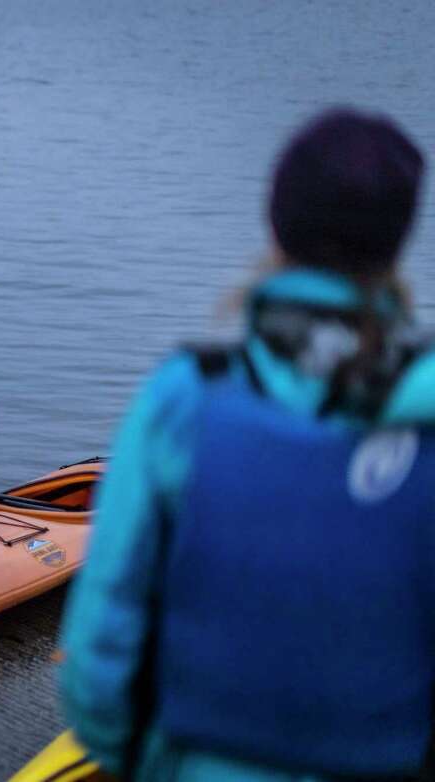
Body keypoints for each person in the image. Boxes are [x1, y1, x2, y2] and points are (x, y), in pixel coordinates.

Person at [59, 107, 432, 781]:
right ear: (397, 240)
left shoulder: (184, 400)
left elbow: (100, 644)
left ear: (275, 224)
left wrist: (136, 758)